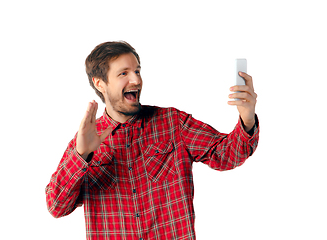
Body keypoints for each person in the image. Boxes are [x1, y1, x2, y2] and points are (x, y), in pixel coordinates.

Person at [45, 41, 259, 240]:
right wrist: (82, 155)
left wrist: (247, 119)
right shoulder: (85, 139)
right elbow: (56, 206)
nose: (136, 80)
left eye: (137, 71)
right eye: (123, 73)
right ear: (100, 83)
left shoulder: (173, 123)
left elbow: (227, 155)